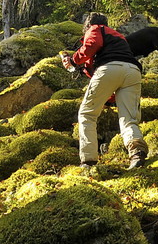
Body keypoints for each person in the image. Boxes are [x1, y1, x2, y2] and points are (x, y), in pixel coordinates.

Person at [61, 13, 148, 169]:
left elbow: (92, 45)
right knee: (129, 118)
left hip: (110, 68)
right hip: (133, 70)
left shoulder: (95, 28)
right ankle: (137, 153)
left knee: (87, 114)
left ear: (88, 25)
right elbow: (94, 67)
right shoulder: (118, 36)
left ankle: (88, 161)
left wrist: (73, 60)